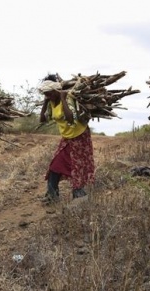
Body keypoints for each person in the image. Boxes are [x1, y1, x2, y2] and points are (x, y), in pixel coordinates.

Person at [38, 74, 95, 204]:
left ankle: (79, 196)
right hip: (67, 137)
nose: (47, 96)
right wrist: (45, 103)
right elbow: (42, 120)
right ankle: (52, 196)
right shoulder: (50, 101)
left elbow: (71, 119)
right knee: (55, 165)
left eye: (49, 94)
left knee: (77, 166)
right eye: (45, 94)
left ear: (56, 91)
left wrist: (63, 98)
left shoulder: (69, 98)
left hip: (80, 136)